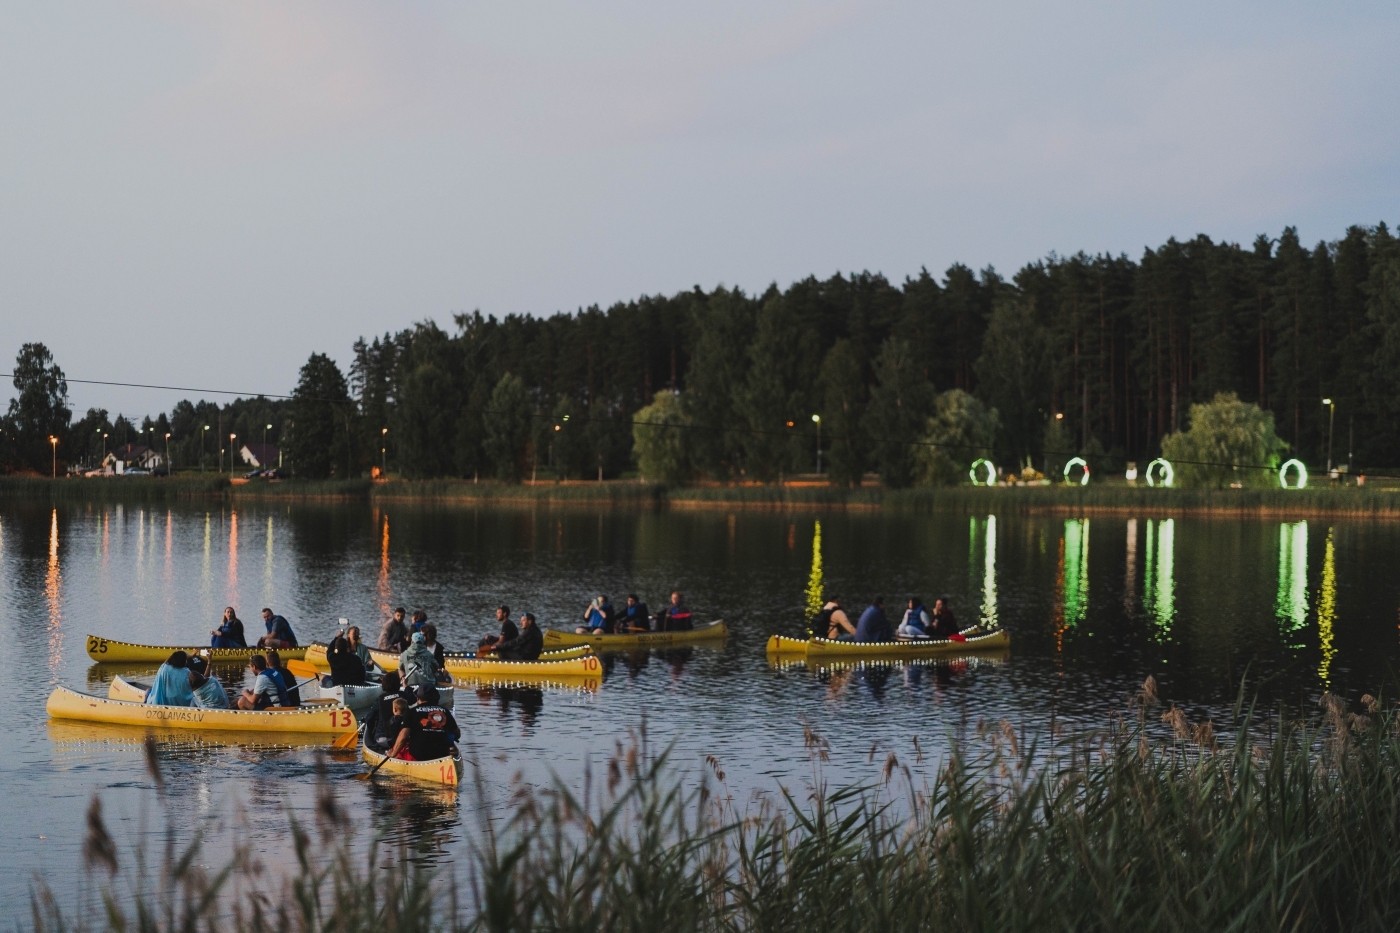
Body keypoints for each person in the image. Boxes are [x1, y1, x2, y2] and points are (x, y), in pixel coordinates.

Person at [386, 685, 461, 762]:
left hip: (418, 756)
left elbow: (403, 737)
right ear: (436, 698)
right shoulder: (445, 711)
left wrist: (393, 753)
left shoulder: (411, 712)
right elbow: (457, 735)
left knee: (401, 749)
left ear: (418, 699)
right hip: (441, 755)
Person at [362, 671, 403, 751]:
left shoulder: (379, 699)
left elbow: (370, 718)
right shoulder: (405, 695)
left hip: (383, 739)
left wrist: (365, 721)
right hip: (403, 738)